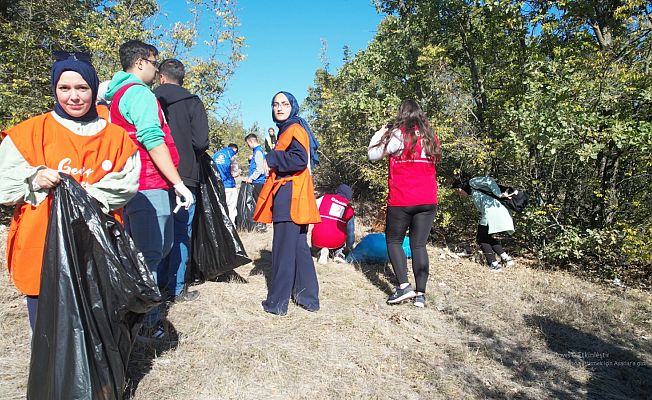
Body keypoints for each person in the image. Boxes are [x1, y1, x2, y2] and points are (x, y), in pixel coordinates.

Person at [0, 52, 141, 332]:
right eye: (64, 88)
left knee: (94, 315)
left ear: (93, 87)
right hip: (42, 243)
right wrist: (33, 177)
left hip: (96, 245)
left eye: (82, 88)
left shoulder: (116, 138)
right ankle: (52, 374)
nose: (73, 96)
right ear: (54, 89)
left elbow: (128, 184)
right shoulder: (29, 132)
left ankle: (93, 374)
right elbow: (3, 184)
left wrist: (87, 193)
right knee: (47, 323)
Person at [105, 40, 193, 343]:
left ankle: (139, 318)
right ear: (141, 62)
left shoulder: (119, 93)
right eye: (155, 63)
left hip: (144, 183)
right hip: (148, 182)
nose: (157, 71)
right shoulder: (138, 94)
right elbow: (152, 139)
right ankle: (145, 325)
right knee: (150, 255)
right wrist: (178, 183)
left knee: (151, 251)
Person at [368, 99, 442, 308]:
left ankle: (403, 286)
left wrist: (382, 131)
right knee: (419, 245)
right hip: (428, 200)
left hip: (403, 198)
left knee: (393, 241)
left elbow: (373, 154)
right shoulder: (430, 137)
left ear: (402, 114)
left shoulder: (399, 134)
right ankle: (420, 294)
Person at [253, 91, 321, 315]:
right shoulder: (291, 128)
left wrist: (271, 157)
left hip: (289, 194)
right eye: (275, 104)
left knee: (282, 249)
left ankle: (277, 303)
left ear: (293, 106)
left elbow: (299, 160)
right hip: (295, 193)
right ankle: (308, 298)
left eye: (284, 104)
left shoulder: (294, 128)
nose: (279, 108)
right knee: (299, 247)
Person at [154, 58, 209, 302]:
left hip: (154, 174)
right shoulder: (193, 103)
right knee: (180, 233)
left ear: (161, 77)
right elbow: (201, 142)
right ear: (182, 78)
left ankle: (153, 287)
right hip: (185, 175)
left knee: (153, 232)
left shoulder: (148, 99)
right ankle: (175, 289)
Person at [453, 176, 515, 272]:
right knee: (487, 237)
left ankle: (494, 264)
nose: (459, 193)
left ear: (461, 186)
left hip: (493, 212)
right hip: (495, 212)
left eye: (458, 190)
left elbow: (489, 180)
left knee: (481, 238)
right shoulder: (473, 191)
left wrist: (499, 194)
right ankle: (507, 259)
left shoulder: (472, 182)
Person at [312, 184, 355, 265]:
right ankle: (339, 253)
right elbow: (351, 234)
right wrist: (348, 249)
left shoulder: (323, 198)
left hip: (318, 238)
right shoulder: (349, 208)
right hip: (336, 242)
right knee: (339, 245)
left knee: (316, 245)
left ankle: (320, 251)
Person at [245, 133, 268, 232]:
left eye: (247, 144)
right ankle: (260, 223)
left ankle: (262, 225)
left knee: (259, 203)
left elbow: (260, 169)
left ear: (251, 141)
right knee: (258, 203)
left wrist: (251, 178)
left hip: (258, 182)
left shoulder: (258, 152)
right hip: (257, 181)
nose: (248, 146)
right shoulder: (256, 152)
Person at [213, 143, 239, 223]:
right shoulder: (232, 155)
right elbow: (234, 172)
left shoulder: (215, 155)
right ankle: (231, 228)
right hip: (229, 185)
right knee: (231, 208)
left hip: (218, 185)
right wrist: (238, 172)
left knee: (220, 207)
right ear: (234, 150)